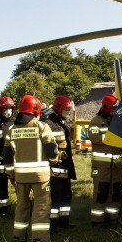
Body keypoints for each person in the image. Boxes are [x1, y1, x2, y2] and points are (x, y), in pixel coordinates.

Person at [2, 94, 59, 242]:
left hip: (20, 177)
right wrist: (55, 160)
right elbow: (52, 150)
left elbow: (6, 155)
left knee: (21, 206)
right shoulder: (41, 126)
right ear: (35, 110)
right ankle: (40, 240)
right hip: (41, 177)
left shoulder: (11, 129)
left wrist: (10, 175)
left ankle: (19, 237)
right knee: (41, 207)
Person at [87, 93, 122, 225]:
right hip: (102, 165)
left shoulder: (118, 121)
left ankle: (113, 217)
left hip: (116, 165)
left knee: (116, 191)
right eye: (113, 108)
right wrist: (112, 138)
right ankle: (97, 220)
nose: (115, 111)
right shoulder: (96, 121)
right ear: (107, 107)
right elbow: (95, 138)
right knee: (101, 192)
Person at [45, 94, 77, 230]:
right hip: (55, 168)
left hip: (65, 165)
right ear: (58, 109)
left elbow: (69, 132)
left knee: (66, 195)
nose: (68, 112)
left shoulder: (62, 122)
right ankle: (53, 224)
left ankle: (64, 222)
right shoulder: (49, 124)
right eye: (66, 109)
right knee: (55, 197)